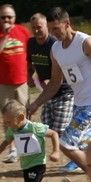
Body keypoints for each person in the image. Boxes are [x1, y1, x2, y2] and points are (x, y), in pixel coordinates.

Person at [27, 8, 91, 171]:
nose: (53, 33)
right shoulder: (55, 49)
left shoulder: (85, 42)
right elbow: (55, 82)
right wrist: (36, 103)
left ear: (67, 23)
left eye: (56, 28)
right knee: (86, 147)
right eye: (50, 29)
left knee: (66, 144)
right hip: (77, 105)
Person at [0, 4, 29, 161]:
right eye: (3, 17)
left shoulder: (23, 31)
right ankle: (12, 149)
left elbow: (29, 55)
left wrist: (32, 76)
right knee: (8, 117)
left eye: (9, 17)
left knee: (23, 115)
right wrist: (5, 36)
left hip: (21, 81)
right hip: (3, 83)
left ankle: (25, 148)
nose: (6, 20)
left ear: (15, 18)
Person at [26, 11, 74, 142]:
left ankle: (75, 153)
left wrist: (54, 79)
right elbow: (30, 62)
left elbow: (70, 69)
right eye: (33, 28)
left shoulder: (55, 44)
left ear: (46, 26)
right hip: (47, 93)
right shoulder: (31, 43)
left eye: (39, 27)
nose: (36, 30)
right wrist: (29, 75)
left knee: (58, 132)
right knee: (46, 129)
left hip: (64, 92)